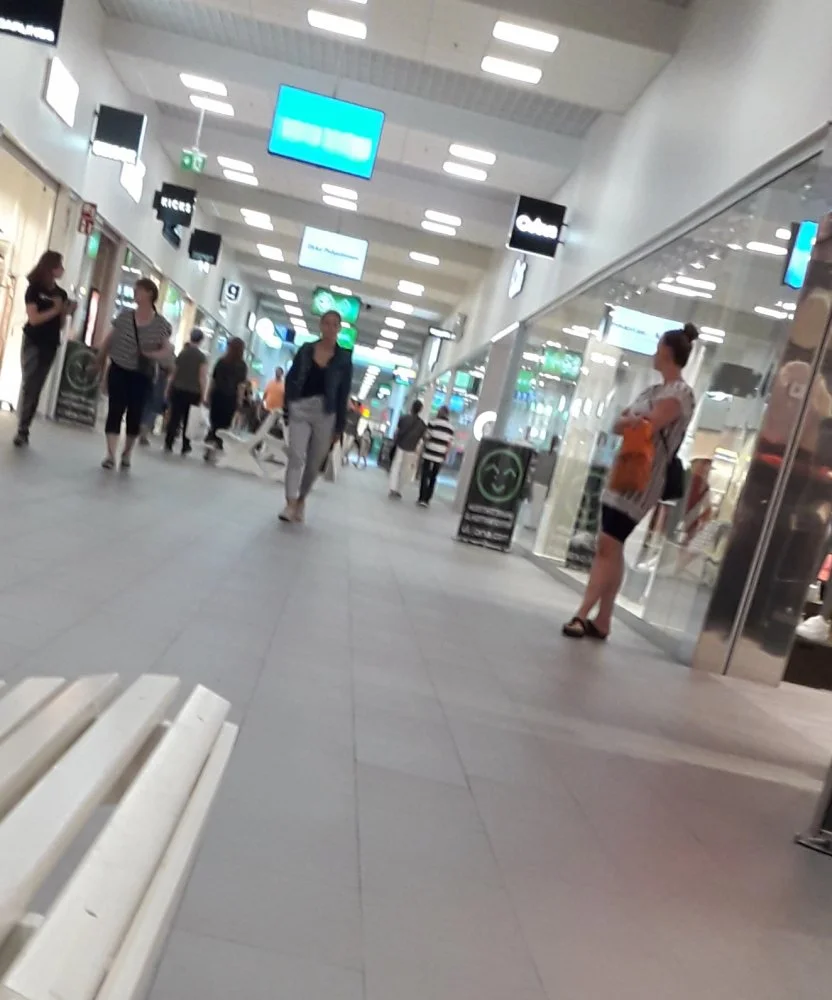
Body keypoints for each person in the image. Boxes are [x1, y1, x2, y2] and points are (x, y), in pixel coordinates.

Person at [563, 323, 698, 640]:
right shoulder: (652, 392)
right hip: (623, 471)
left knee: (607, 544)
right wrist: (634, 421)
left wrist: (634, 420)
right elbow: (618, 423)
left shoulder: (680, 393)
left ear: (668, 352)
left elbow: (649, 424)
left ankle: (582, 613)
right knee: (612, 546)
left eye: (658, 347)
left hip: (643, 480)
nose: (654, 353)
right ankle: (603, 619)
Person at [280, 310, 352, 523]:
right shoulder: (306, 350)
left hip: (326, 413)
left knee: (313, 464)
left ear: (339, 329)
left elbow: (343, 394)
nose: (330, 328)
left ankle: (301, 499)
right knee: (296, 455)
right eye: (326, 323)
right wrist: (288, 405)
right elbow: (291, 378)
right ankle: (290, 503)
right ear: (320, 326)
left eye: (334, 325)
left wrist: (339, 427)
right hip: (300, 408)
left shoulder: (344, 359)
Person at [96, 278, 172, 470]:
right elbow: (109, 339)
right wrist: (100, 360)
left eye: (138, 290)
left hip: (142, 374)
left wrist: (151, 355)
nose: (135, 292)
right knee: (115, 410)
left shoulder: (161, 324)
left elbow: (167, 350)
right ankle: (110, 454)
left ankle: (127, 452)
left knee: (134, 415)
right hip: (119, 369)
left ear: (150, 294)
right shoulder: (124, 317)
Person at [15, 251, 76, 447]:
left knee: (37, 385)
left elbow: (59, 325)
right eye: (60, 266)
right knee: (30, 382)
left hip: (50, 343)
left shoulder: (61, 294)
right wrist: (55, 309)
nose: (63, 270)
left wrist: (65, 312)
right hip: (33, 340)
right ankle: (22, 427)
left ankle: (25, 427)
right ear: (51, 267)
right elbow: (33, 319)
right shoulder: (34, 289)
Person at [165, 327, 208, 455]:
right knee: (189, 420)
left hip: (178, 389)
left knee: (174, 417)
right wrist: (203, 394)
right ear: (201, 340)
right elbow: (202, 377)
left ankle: (168, 442)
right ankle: (185, 445)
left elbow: (174, 372)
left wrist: (168, 388)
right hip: (193, 392)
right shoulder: (202, 357)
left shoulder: (183, 353)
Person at [205, 337, 248, 451]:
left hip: (217, 395)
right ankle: (218, 442)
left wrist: (208, 396)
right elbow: (241, 386)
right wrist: (239, 401)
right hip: (230, 398)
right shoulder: (242, 366)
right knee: (225, 424)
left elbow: (213, 381)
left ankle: (211, 438)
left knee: (214, 421)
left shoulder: (221, 361)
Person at [418, 405, 454, 507]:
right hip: (439, 455)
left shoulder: (433, 423)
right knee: (433, 477)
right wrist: (445, 454)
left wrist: (424, 444)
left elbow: (426, 437)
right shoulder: (451, 428)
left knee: (425, 475)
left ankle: (422, 497)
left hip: (429, 453)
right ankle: (427, 499)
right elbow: (449, 444)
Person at [389, 400, 426, 498]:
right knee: (406, 470)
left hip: (400, 446)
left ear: (411, 407)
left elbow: (397, 432)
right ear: (420, 410)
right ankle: (399, 489)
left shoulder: (404, 418)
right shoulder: (422, 424)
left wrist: (395, 441)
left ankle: (393, 488)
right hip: (411, 449)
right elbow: (422, 438)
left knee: (396, 467)